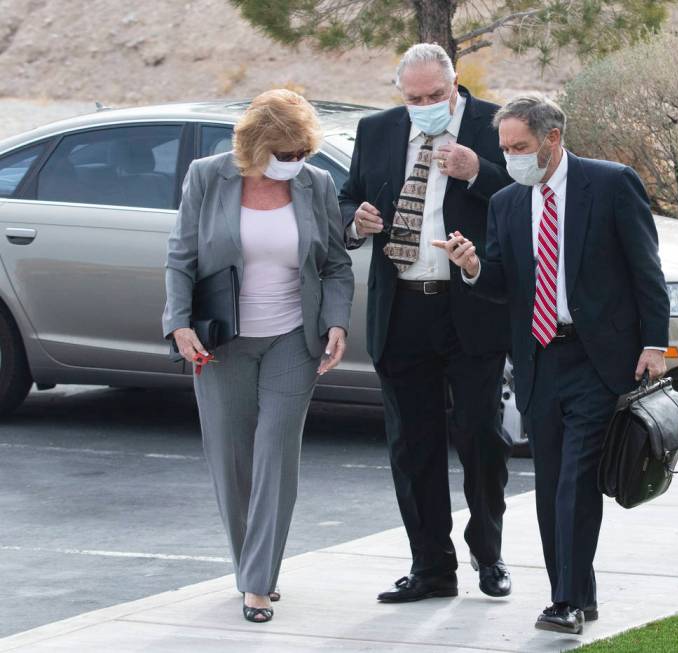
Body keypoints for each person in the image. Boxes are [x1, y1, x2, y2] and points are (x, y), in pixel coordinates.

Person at [434, 94, 670, 635]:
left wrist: (655, 343)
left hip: (599, 358)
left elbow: (646, 270)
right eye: (505, 148)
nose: (510, 158)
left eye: (519, 147)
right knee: (551, 483)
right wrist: (471, 267)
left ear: (552, 139)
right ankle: (577, 594)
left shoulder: (609, 185)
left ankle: (563, 601)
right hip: (539, 359)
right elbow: (503, 284)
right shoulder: (509, 204)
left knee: (577, 480)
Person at [162, 89, 354, 624]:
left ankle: (258, 582)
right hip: (221, 341)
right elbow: (180, 257)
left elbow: (336, 264)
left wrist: (337, 321)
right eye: (286, 154)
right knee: (231, 459)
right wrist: (177, 324)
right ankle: (252, 565)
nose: (296, 164)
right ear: (256, 145)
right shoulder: (207, 175)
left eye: (302, 153)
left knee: (276, 453)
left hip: (294, 337)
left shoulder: (315, 183)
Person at [338, 43, 514, 602]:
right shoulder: (378, 129)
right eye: (414, 98)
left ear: (455, 82)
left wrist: (478, 172)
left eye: (436, 96)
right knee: (412, 447)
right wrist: (356, 220)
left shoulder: (496, 124)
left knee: (481, 439)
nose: (425, 105)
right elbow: (347, 199)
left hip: (470, 305)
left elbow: (532, 199)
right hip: (403, 306)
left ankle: (489, 556)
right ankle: (432, 569)